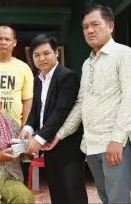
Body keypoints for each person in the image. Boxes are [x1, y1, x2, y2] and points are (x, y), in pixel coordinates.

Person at [48, 5, 131, 204]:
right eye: (85, 27)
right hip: (91, 142)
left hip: (114, 141)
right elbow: (81, 102)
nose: (89, 30)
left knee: (118, 198)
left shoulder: (125, 55)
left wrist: (118, 139)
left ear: (110, 26)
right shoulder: (88, 63)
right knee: (105, 196)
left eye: (95, 25)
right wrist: (60, 133)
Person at [19, 34, 88, 204]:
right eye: (36, 55)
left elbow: (60, 111)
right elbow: (36, 109)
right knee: (57, 193)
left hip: (68, 146)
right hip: (49, 148)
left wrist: (39, 138)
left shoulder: (67, 77)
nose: (41, 58)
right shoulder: (38, 80)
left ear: (56, 53)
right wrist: (27, 129)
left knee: (73, 194)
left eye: (46, 53)